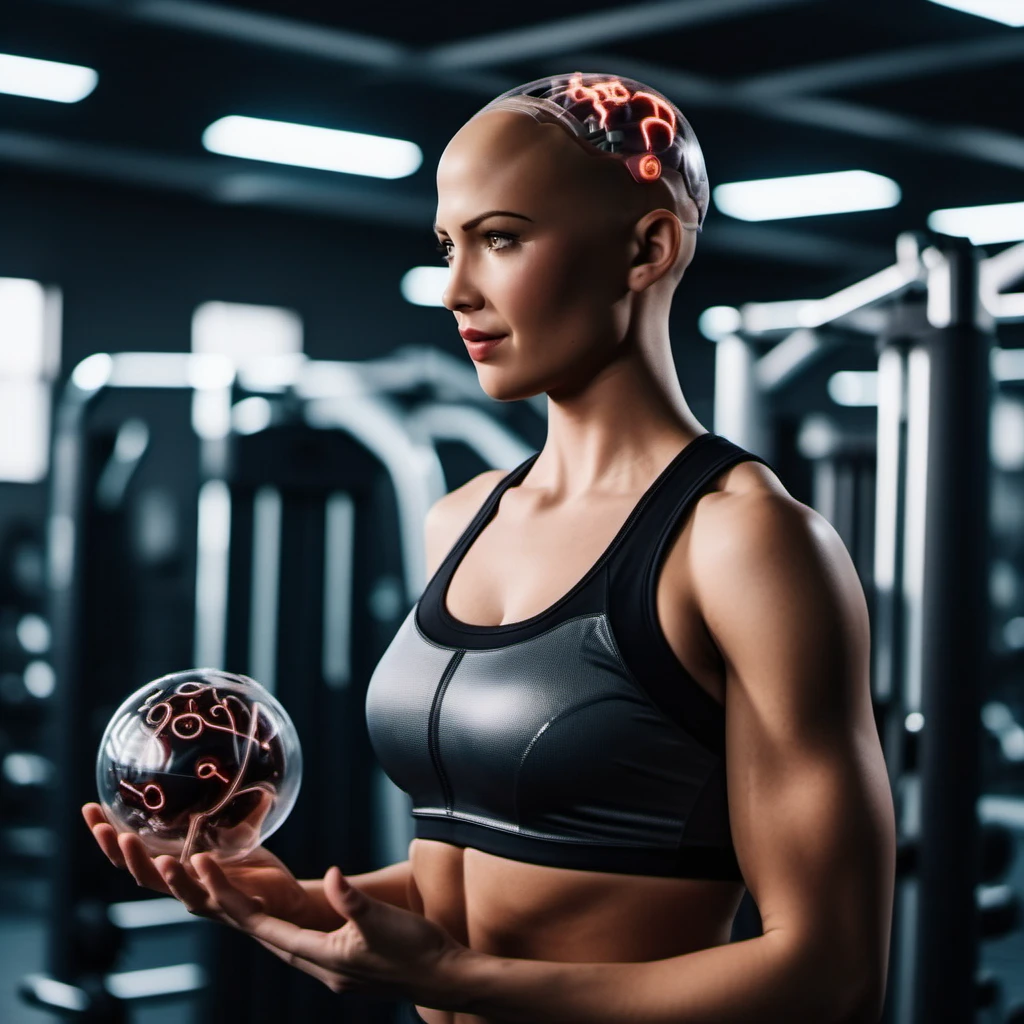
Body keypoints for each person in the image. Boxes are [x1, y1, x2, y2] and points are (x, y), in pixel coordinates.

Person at [83, 72, 895, 1024]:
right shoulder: (461, 518)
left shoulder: (746, 541)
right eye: (448, 246)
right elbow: (474, 875)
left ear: (648, 247)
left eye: (501, 238)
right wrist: (294, 904)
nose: (455, 289)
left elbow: (832, 975)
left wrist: (457, 981)